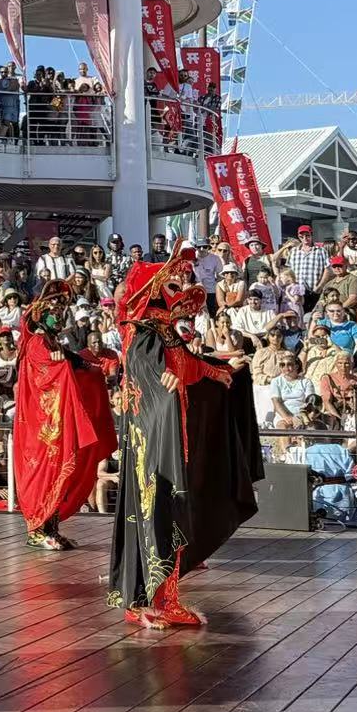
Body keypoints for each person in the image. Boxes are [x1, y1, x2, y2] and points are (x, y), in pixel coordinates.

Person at [108, 248, 264, 629]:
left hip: (174, 433)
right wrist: (170, 383)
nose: (180, 287)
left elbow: (187, 363)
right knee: (156, 510)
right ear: (153, 289)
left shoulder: (163, 331)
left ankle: (165, 597)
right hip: (153, 443)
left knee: (174, 509)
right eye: (172, 283)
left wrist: (220, 371)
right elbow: (149, 376)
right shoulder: (142, 332)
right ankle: (145, 600)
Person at [10, 278, 116, 551]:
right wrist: (65, 366)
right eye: (54, 311)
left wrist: (87, 367)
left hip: (55, 424)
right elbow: (48, 374)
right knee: (44, 474)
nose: (58, 316)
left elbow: (73, 361)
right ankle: (37, 530)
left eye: (61, 311)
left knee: (60, 474)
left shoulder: (51, 341)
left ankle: (52, 529)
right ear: (41, 312)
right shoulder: (36, 343)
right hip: (42, 426)